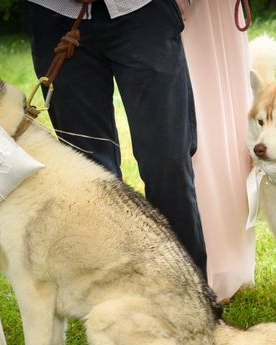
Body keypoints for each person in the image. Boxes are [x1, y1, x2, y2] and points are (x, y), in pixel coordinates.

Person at [22, 0, 207, 276]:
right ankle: (116, 298)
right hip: (56, 14)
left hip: (143, 10)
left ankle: (190, 299)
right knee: (90, 174)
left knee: (166, 162)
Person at [180, 0, 256, 302]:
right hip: (178, 14)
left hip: (224, 12)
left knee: (231, 123)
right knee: (201, 121)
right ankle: (207, 262)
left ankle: (232, 262)